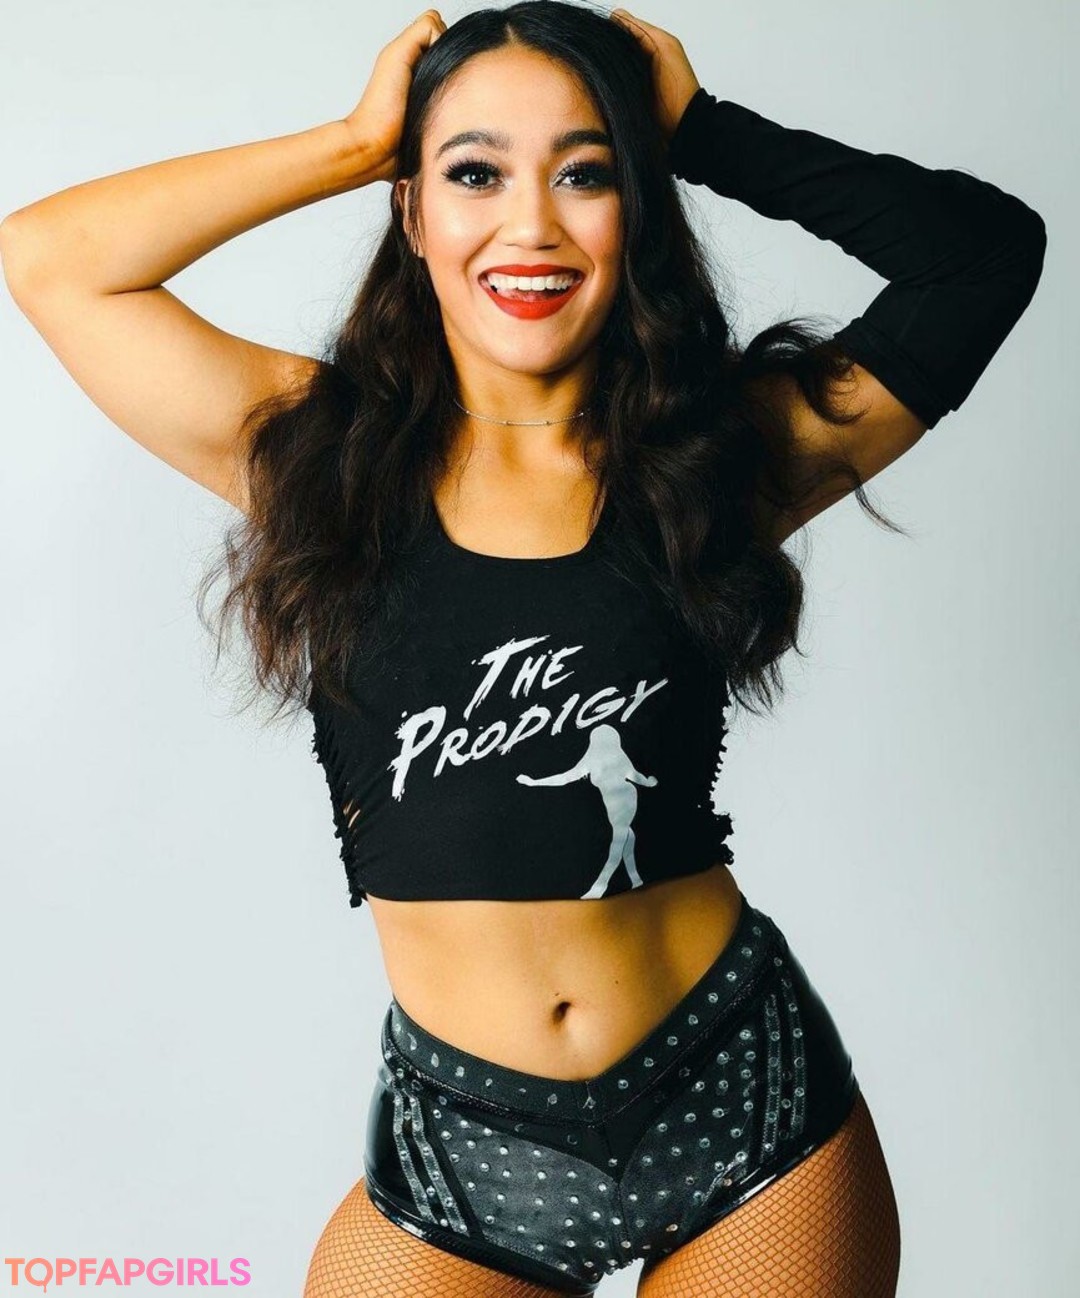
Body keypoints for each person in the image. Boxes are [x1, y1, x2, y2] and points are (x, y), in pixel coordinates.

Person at [1, 2, 1046, 1294]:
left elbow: (981, 256)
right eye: (475, 173)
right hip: (463, 1141)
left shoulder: (719, 461)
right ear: (412, 211)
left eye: (587, 173)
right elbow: (52, 257)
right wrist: (354, 142)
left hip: (741, 1101)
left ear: (637, 212)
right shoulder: (315, 453)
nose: (532, 225)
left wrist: (705, 132)